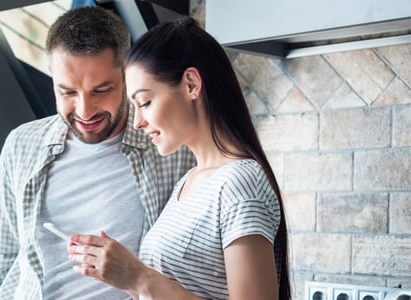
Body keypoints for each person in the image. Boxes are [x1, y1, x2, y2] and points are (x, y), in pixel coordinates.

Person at [67, 17, 291, 300]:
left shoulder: (239, 184)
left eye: (145, 102)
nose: (138, 122)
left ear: (191, 84)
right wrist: (124, 276)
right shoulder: (190, 182)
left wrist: (138, 277)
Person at [0, 6, 196, 300]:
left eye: (101, 90)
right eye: (68, 92)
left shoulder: (171, 148)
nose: (85, 111)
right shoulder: (21, 145)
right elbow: (2, 258)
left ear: (126, 74)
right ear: (52, 76)